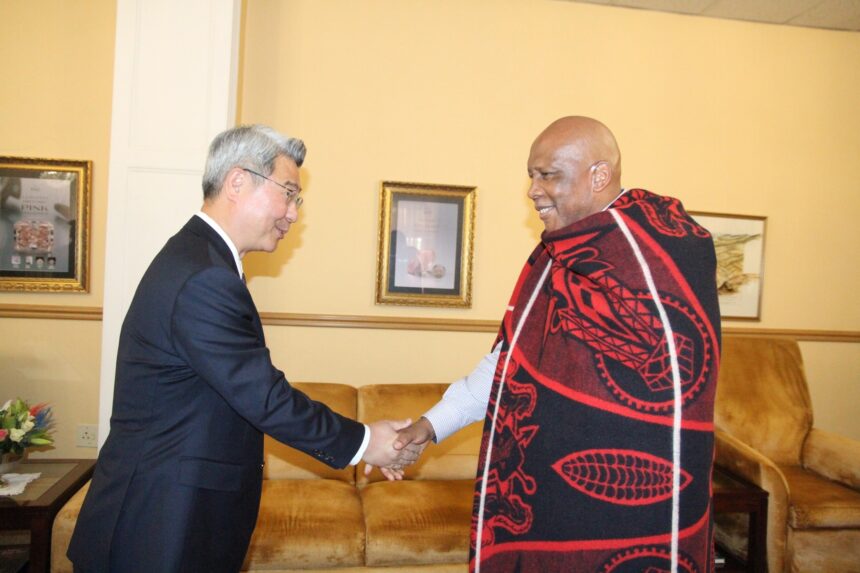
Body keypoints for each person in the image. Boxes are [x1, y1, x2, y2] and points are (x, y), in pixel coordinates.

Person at [68, 125, 419, 573]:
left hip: (168, 516)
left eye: (297, 200)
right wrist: (366, 441)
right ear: (237, 182)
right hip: (158, 524)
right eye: (288, 193)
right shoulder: (204, 276)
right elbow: (264, 397)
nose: (293, 213)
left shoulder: (201, 259)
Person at [394, 116, 721, 572]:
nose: (533, 190)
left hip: (636, 504)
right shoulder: (559, 253)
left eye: (548, 175)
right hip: (549, 494)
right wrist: (430, 426)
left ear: (599, 176)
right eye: (531, 175)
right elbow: (512, 364)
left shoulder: (662, 248)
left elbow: (677, 372)